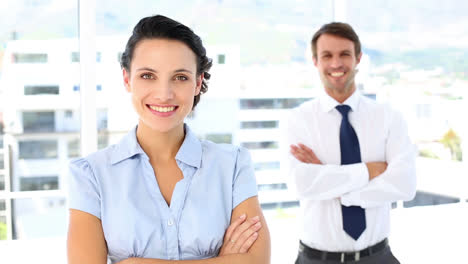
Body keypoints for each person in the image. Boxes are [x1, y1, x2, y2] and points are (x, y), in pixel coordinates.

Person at [67, 14, 270, 264]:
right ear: (127, 79)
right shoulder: (91, 175)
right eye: (148, 76)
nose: (164, 94)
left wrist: (134, 262)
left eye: (180, 77)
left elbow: (257, 261)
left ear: (197, 84)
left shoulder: (233, 165)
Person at [282, 22, 416, 263]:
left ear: (358, 58)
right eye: (327, 55)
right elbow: (300, 185)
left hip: (379, 256)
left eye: (344, 54)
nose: (336, 64)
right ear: (315, 61)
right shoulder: (297, 120)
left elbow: (404, 184)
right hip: (317, 259)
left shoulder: (388, 117)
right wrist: (369, 170)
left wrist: (331, 185)